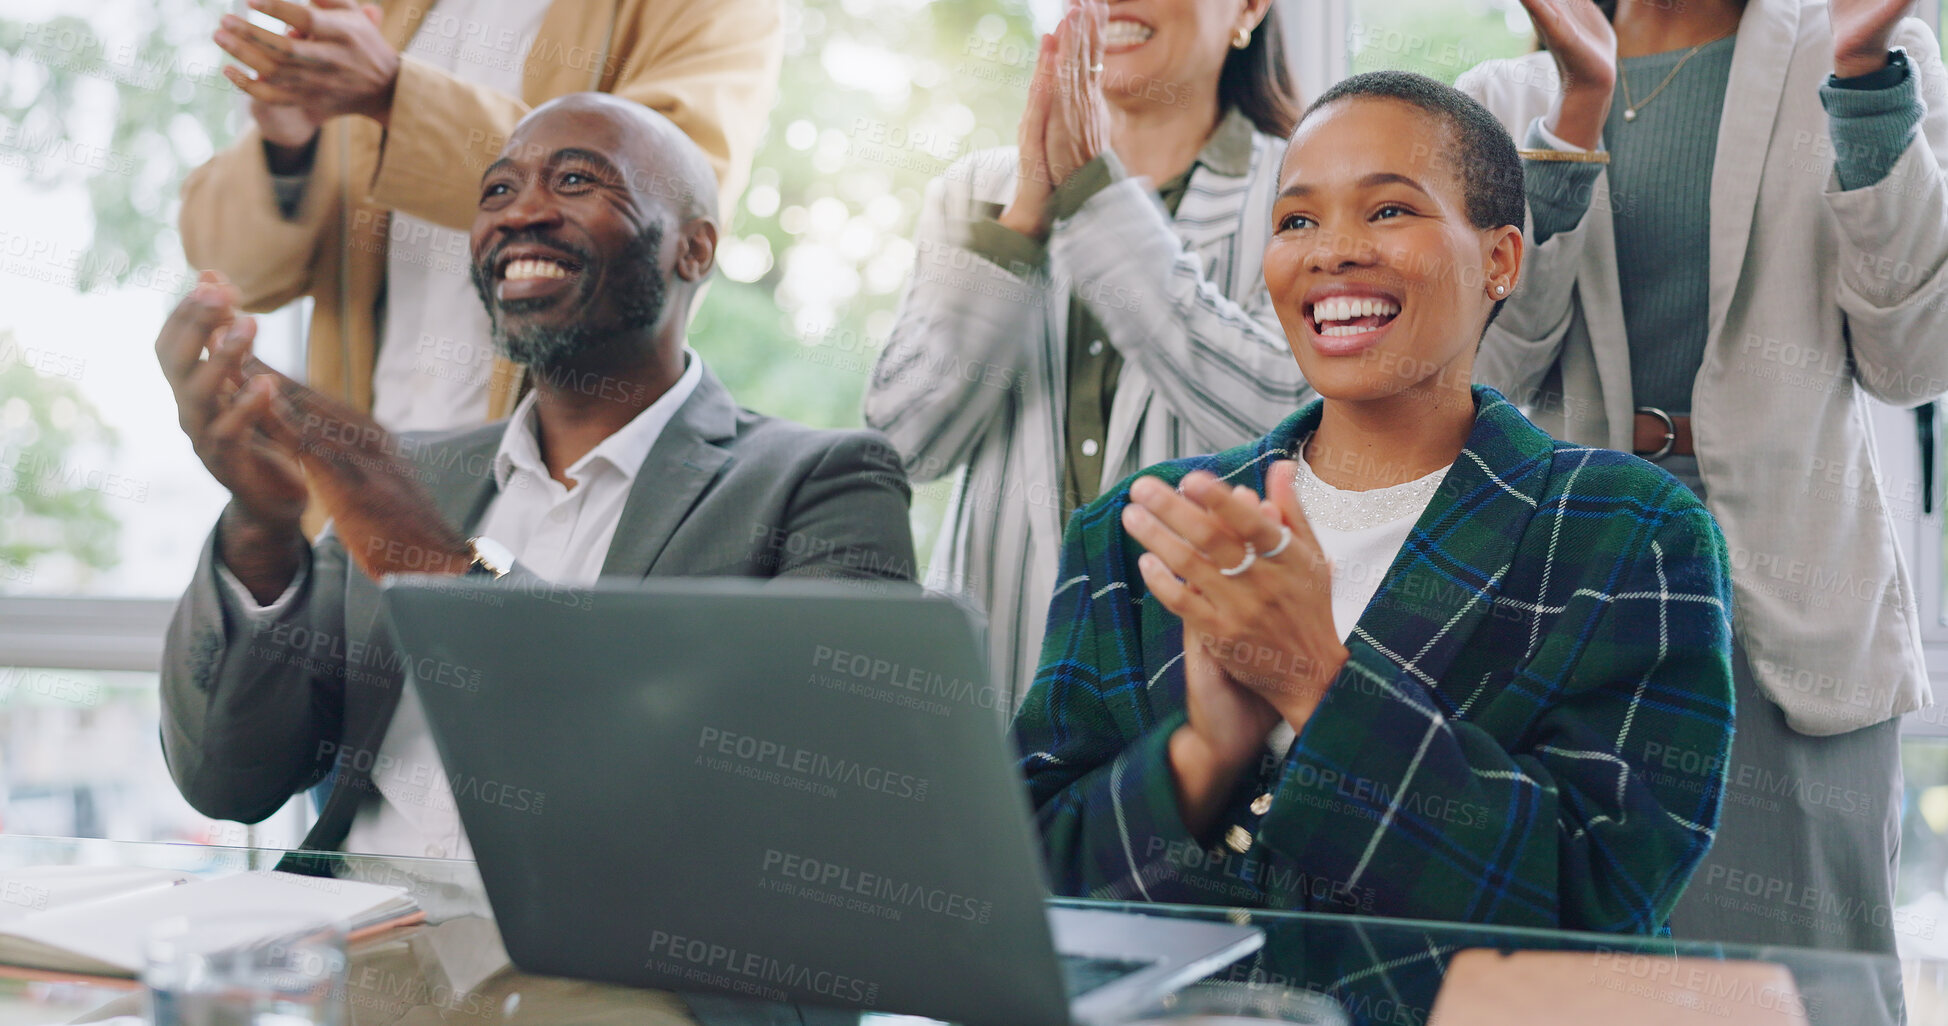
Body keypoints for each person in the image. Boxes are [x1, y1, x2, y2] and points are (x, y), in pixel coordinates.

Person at [1012, 72, 1736, 933]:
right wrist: (1204, 755)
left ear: (1501, 261)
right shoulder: (1140, 529)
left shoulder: (1631, 532)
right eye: (1297, 221)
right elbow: (1028, 876)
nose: (1333, 252)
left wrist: (1316, 683)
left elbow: (1601, 897)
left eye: (1389, 210)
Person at [155, 95, 916, 859]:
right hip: (359, 920)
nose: (519, 214)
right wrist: (262, 530)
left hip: (612, 935)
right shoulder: (411, 476)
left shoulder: (823, 484)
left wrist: (444, 566)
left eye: (576, 180)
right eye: (497, 190)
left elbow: (805, 803)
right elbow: (229, 782)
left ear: (693, 249)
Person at [1459, 0, 1948, 953]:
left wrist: (1863, 81)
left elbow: (1915, 358)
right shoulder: (1501, 102)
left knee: (1809, 988)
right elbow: (1484, 377)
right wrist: (1575, 117)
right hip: (1568, 604)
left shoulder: (1871, 54)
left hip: (1789, 618)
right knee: (1577, 987)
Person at [865, 0, 1311, 714]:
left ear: (1250, 9)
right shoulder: (978, 191)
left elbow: (1292, 427)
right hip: (984, 694)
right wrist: (1021, 226)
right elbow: (903, 442)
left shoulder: (1300, 192)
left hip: (1200, 702)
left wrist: (1094, 198)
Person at [184, 0, 781, 432]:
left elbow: (669, 199)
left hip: (567, 494)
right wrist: (288, 148)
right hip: (359, 496)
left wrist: (395, 94)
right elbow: (235, 274)